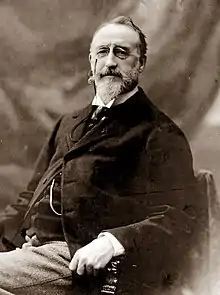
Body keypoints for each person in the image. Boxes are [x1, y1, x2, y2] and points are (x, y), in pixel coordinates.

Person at [0, 16, 199, 295]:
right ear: (91, 61)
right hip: (32, 251)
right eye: (102, 52)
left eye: (122, 52)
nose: (110, 62)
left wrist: (110, 242)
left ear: (140, 64)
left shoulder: (159, 132)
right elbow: (30, 195)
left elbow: (176, 217)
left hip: (80, 259)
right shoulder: (68, 123)